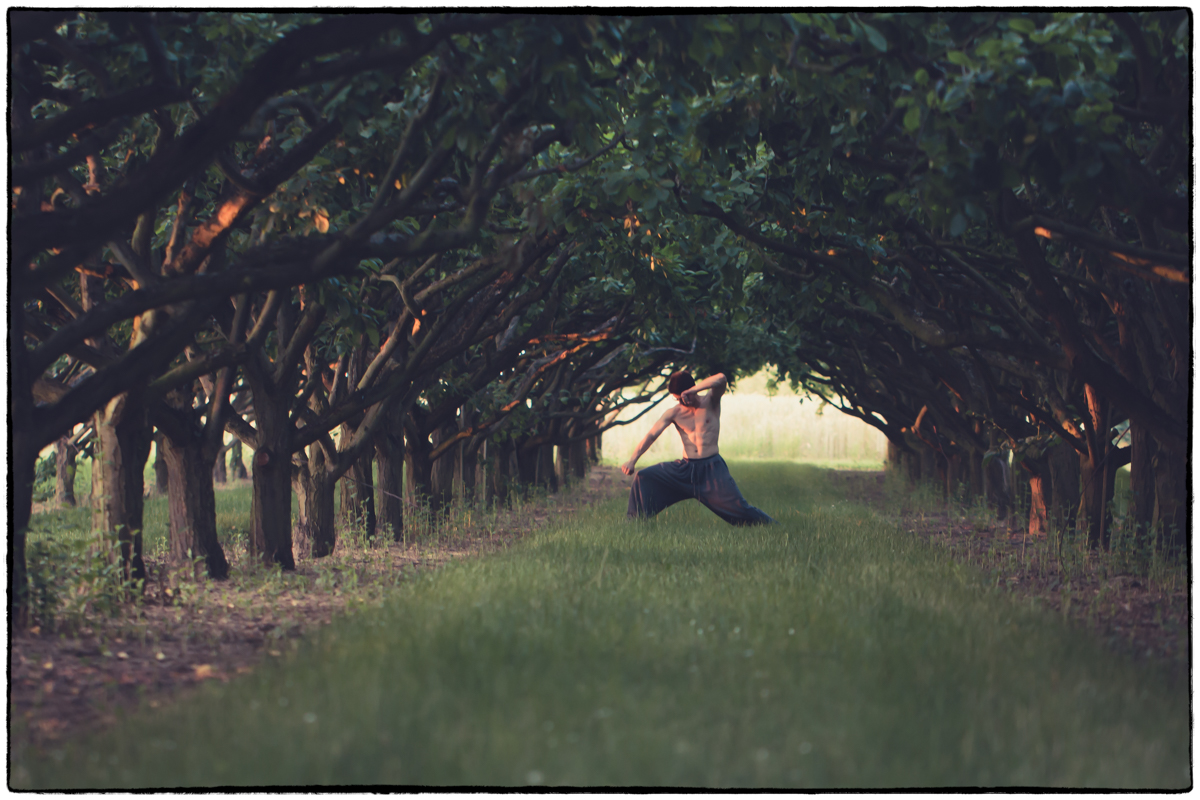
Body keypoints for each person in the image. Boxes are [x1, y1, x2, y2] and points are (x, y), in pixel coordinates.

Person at [621, 370, 774, 525]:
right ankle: (633, 522)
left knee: (740, 510)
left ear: (692, 390)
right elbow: (652, 435)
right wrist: (632, 460)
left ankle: (772, 526)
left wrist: (692, 391)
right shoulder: (674, 413)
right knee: (644, 477)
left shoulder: (711, 401)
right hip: (684, 470)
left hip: (712, 470)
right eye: (677, 399)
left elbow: (721, 378)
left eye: (683, 397)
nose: (681, 401)